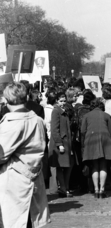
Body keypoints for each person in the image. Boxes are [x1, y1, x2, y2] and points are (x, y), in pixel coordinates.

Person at [0, 82, 50, 228]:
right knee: (28, 220)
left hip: (14, 179)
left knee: (15, 221)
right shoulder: (38, 120)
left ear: (6, 99)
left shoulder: (11, 123)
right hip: (33, 175)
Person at [81, 98, 111, 198]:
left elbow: (83, 130)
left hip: (91, 140)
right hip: (105, 140)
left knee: (95, 166)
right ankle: (102, 190)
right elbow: (110, 131)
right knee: (104, 166)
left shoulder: (86, 116)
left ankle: (96, 190)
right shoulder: (106, 115)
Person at [49, 92, 73, 197]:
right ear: (57, 101)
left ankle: (65, 187)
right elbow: (54, 129)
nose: (63, 103)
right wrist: (59, 144)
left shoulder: (64, 111)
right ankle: (63, 188)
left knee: (68, 166)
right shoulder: (56, 111)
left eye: (64, 101)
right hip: (60, 143)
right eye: (61, 101)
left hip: (67, 142)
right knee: (60, 166)